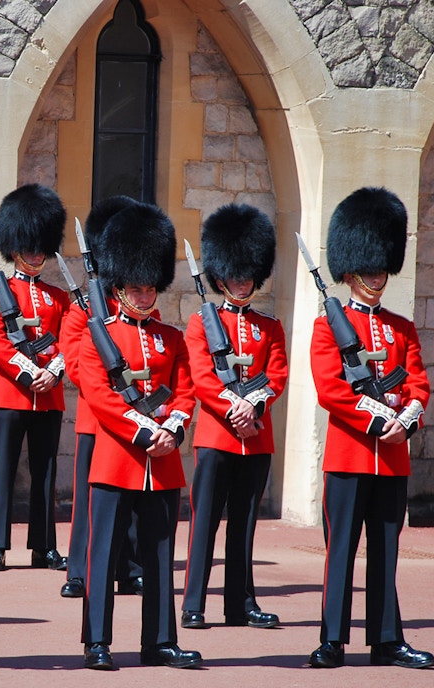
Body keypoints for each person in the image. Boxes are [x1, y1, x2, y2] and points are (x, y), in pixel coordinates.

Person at [307, 187, 434, 670]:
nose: (376, 277)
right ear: (350, 271)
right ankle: (332, 639)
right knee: (341, 548)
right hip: (349, 456)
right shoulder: (328, 328)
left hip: (394, 456)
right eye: (368, 269)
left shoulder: (401, 329)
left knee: (385, 549)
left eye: (382, 268)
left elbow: (418, 383)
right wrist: (376, 416)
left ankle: (386, 639)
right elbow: (331, 391)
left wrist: (407, 418)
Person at [76, 202, 201, 671]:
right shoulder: (98, 335)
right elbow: (99, 395)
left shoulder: (171, 337)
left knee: (160, 556)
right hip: (116, 459)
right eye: (136, 287)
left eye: (150, 287)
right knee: (104, 555)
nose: (145, 294)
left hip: (163, 462)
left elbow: (186, 391)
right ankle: (97, 641)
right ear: (119, 285)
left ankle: (161, 641)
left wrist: (174, 427)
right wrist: (144, 428)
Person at [181, 204, 288, 630]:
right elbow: (202, 377)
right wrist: (234, 408)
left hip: (256, 437)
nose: (242, 282)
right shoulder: (200, 325)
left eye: (247, 275)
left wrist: (254, 405)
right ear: (220, 276)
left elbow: (277, 374)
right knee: (204, 522)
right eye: (234, 275)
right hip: (216, 436)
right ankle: (193, 604)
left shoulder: (269, 327)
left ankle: (240, 603)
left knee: (244, 526)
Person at [0, 184, 70, 573]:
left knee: (45, 470)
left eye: (40, 247)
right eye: (29, 247)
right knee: (4, 468)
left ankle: (44, 546)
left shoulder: (58, 297)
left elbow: (72, 342)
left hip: (48, 395)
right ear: (14, 248)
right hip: (12, 393)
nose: (35, 254)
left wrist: (54, 370)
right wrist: (28, 370)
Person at [60, 196, 144, 599]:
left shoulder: (140, 312)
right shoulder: (82, 310)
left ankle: (128, 568)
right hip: (96, 418)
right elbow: (75, 364)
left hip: (135, 418)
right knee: (88, 499)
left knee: (130, 499)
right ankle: (79, 570)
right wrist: (110, 392)